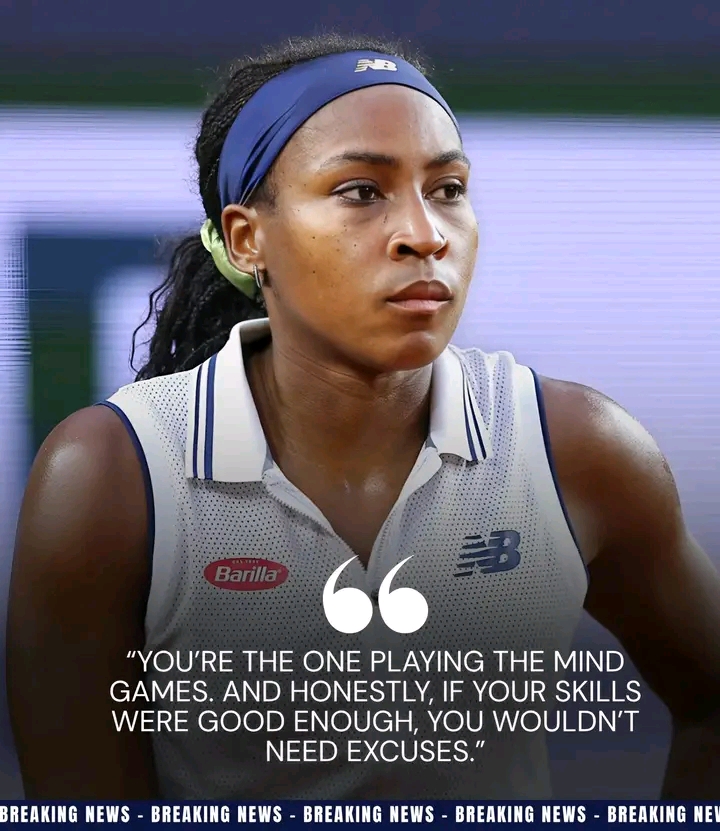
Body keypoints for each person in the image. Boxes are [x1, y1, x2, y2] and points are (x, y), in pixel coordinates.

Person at [7, 33, 720, 801]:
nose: (426, 233)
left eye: (448, 188)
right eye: (361, 191)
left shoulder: (577, 448)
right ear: (248, 240)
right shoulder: (111, 476)